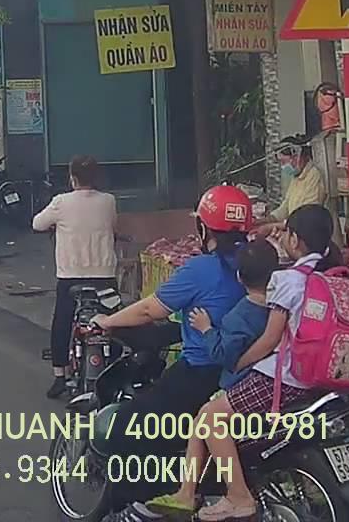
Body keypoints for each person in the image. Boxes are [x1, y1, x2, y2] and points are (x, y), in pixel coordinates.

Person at [159, 204, 341, 522]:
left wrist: (240, 363)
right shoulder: (330, 272)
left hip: (285, 376)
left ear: (294, 239)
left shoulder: (287, 280)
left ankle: (239, 496)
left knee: (209, 418)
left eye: (286, 233)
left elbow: (270, 339)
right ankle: (187, 493)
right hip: (320, 374)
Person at [93, 185, 253, 521]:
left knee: (126, 427)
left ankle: (143, 508)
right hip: (245, 373)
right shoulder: (258, 262)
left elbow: (149, 310)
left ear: (204, 229)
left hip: (199, 374)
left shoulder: (202, 269)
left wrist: (107, 321)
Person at [144, 239, 278, 516]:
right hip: (269, 378)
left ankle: (215, 493)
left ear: (239, 277)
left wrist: (206, 329)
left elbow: (222, 354)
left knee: (205, 420)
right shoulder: (278, 308)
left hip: (241, 382)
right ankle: (189, 491)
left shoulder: (240, 315)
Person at [32, 155, 118, 398]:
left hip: (71, 278)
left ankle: (60, 375)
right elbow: (113, 225)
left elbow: (37, 224)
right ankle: (114, 369)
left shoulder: (61, 202)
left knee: (62, 321)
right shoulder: (108, 201)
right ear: (96, 177)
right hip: (104, 277)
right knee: (113, 322)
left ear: (72, 178)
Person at [257, 142, 325, 236]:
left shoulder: (314, 176)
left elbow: (306, 218)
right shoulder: (296, 178)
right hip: (293, 230)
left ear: (297, 157)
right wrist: (264, 220)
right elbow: (285, 207)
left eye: (284, 162)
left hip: (307, 234)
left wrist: (272, 226)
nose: (283, 166)